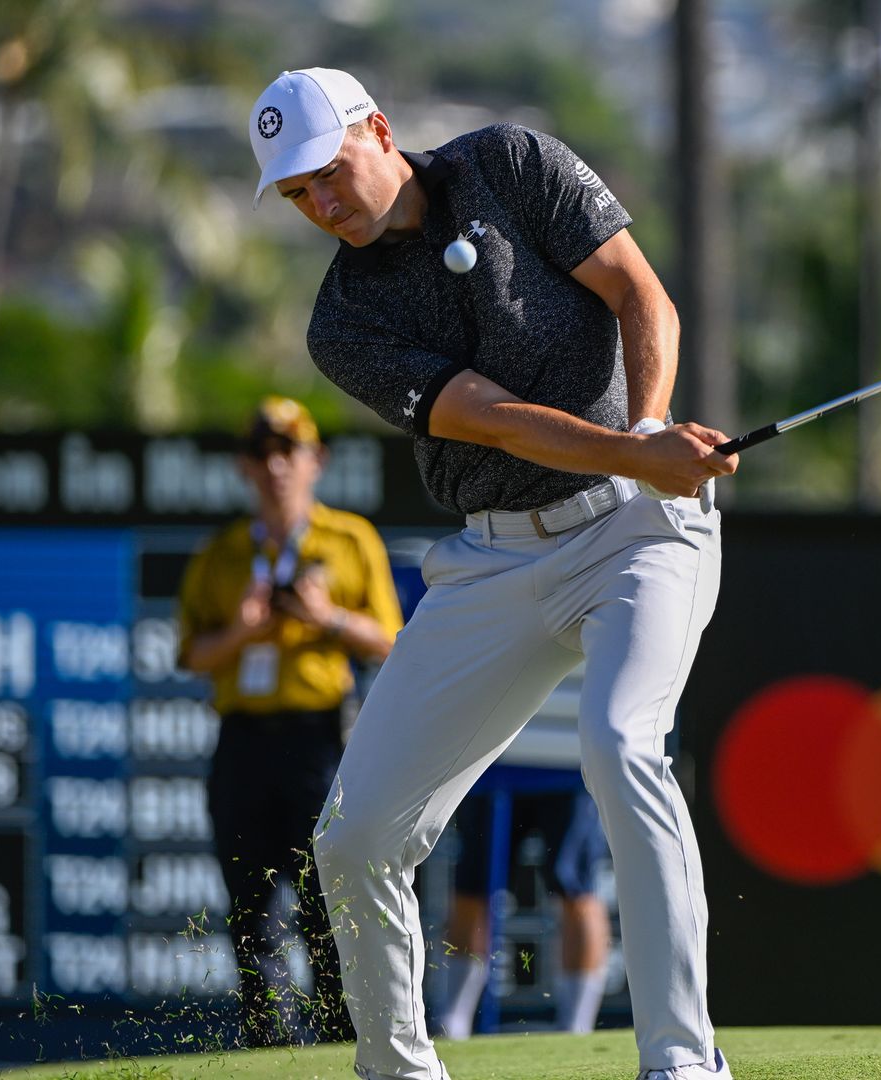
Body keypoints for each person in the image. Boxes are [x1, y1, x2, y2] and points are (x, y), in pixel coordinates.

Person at [247, 67, 738, 1080]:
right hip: (493, 559)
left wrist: (649, 436)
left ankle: (684, 1065)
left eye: (330, 174)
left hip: (638, 532)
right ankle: (397, 1070)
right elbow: (492, 418)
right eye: (299, 196)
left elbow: (643, 296)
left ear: (380, 131)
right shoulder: (343, 324)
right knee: (355, 839)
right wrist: (637, 451)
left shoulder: (512, 165)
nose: (323, 206)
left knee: (618, 744)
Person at [177, 396, 406, 1047]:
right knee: (250, 903)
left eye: (289, 452)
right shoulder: (222, 553)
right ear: (244, 468)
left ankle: (341, 1039)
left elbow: (393, 639)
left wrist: (327, 618)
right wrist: (242, 633)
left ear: (316, 461)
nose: (276, 467)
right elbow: (192, 653)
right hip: (244, 742)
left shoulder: (348, 540)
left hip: (320, 739)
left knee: (327, 898)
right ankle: (268, 1043)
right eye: (262, 454)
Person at [437, 787, 612, 1038]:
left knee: (579, 892)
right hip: (489, 765)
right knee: (472, 890)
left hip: (569, 768)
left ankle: (577, 1030)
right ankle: (451, 1025)